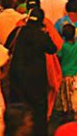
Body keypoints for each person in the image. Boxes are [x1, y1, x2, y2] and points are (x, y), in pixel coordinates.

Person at [8, 8, 57, 136]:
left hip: (17, 79)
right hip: (37, 81)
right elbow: (52, 48)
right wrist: (46, 33)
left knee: (20, 112)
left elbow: (7, 45)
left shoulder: (18, 31)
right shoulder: (40, 35)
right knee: (39, 114)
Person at [55, 23, 77, 120]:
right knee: (74, 97)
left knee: (65, 97)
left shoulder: (64, 47)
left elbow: (58, 57)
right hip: (76, 75)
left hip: (65, 74)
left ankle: (66, 115)